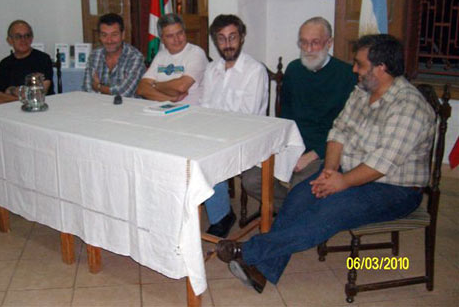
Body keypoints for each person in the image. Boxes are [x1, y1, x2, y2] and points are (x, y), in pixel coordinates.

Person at [215, 34, 436, 293]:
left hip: (395, 189)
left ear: (382, 68)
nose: (354, 69)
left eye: (360, 65)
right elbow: (338, 132)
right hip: (350, 170)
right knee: (300, 196)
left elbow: (382, 163)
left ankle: (248, 250)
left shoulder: (409, 107)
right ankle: (264, 270)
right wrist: (329, 172)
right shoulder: (363, 91)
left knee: (327, 210)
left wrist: (340, 182)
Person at [242, 17, 357, 210]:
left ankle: (297, 212)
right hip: (292, 143)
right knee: (251, 179)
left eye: (315, 42)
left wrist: (311, 155)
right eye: (303, 42)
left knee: (300, 189)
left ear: (329, 43)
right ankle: (296, 212)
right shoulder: (294, 69)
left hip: (324, 150)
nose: (308, 49)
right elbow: (286, 117)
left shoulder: (347, 75)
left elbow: (348, 130)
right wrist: (285, 148)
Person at [200, 14, 269, 237]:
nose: (227, 44)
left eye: (232, 37)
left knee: (207, 157)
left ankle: (221, 215)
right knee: (188, 151)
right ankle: (217, 210)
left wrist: (214, 125)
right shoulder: (212, 70)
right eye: (221, 39)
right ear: (215, 41)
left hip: (247, 138)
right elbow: (205, 108)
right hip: (216, 135)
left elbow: (247, 117)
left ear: (242, 37)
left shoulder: (254, 70)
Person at [136, 13, 208, 104]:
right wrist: (170, 99)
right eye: (170, 36)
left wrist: (155, 86)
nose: (176, 39)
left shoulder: (196, 53)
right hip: (165, 109)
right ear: (162, 39)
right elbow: (141, 89)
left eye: (180, 33)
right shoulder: (161, 55)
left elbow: (181, 87)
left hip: (191, 111)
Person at [82, 13, 145, 96]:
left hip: (127, 107)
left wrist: (98, 87)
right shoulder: (94, 55)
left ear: (123, 35)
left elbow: (124, 93)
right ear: (99, 36)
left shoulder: (135, 57)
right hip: (99, 105)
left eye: (114, 35)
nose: (109, 40)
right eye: (104, 35)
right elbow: (87, 89)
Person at [0, 20, 54, 103]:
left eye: (27, 36)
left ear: (32, 38)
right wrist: (22, 98)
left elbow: (40, 93)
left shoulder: (43, 59)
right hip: (11, 110)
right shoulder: (4, 64)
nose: (23, 40)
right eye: (18, 36)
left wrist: (11, 91)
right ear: (9, 40)